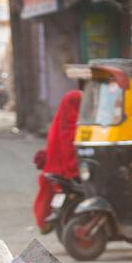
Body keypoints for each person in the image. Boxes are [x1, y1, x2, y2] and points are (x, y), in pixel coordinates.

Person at [33, 89, 81, 233]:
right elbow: (71, 150)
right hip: (69, 169)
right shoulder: (73, 125)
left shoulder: (59, 122)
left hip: (55, 168)